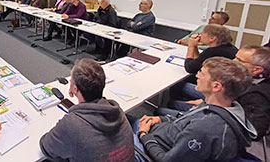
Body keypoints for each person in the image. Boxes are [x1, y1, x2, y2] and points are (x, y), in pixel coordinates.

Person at [129, 57, 257, 162]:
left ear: (216, 86)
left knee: (112, 136)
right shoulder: (221, 106)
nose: (197, 75)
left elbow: (167, 160)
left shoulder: (205, 128)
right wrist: (160, 118)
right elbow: (184, 119)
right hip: (160, 132)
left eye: (202, 72)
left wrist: (143, 135)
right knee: (119, 117)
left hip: (149, 148)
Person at [39, 58, 135, 162]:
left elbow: (46, 147)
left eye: (71, 80)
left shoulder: (72, 124)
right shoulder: (116, 110)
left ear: (75, 89)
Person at [236, 45, 270, 139]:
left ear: (257, 70)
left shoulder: (257, 95)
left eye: (239, 61)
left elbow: (255, 131)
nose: (233, 62)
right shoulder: (252, 81)